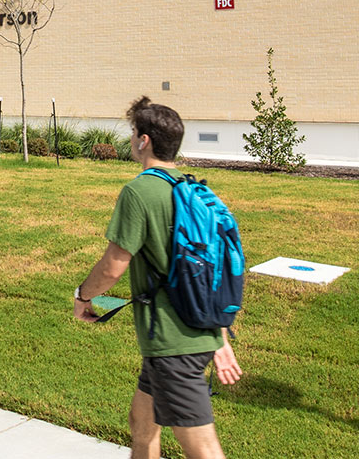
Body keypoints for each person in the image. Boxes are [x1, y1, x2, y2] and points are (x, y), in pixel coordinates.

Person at [74, 96, 242, 459]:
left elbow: (113, 266)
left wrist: (83, 296)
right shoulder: (195, 189)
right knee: (141, 423)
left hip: (173, 344)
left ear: (144, 140)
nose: (131, 139)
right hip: (185, 335)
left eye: (133, 132)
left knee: (205, 450)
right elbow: (209, 268)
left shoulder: (140, 191)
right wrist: (219, 335)